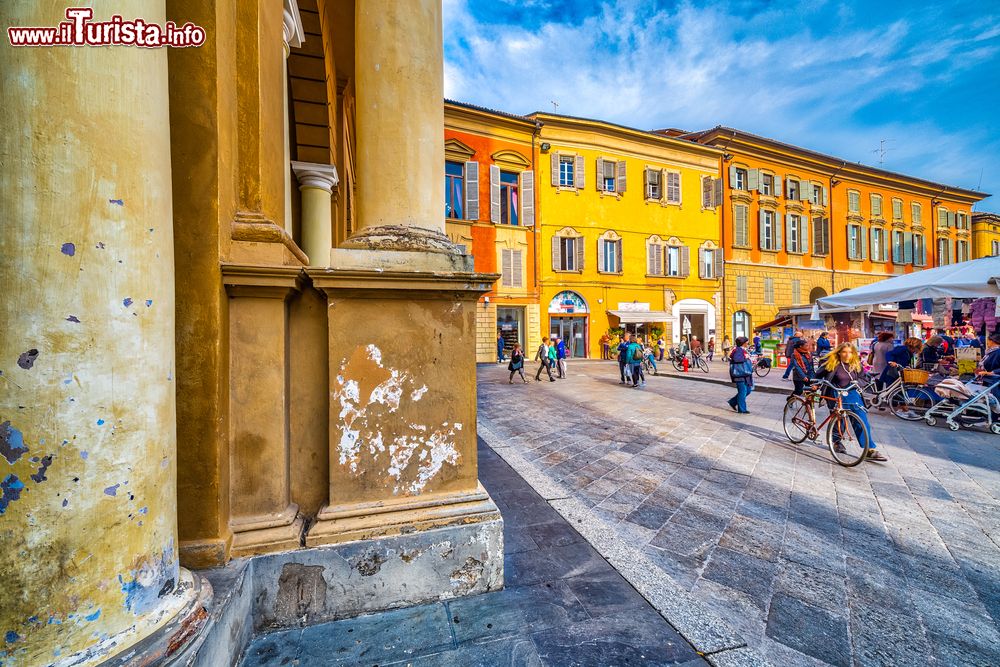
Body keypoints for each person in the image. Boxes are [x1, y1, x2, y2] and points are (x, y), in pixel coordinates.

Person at [816, 342, 885, 461]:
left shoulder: (856, 365)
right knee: (839, 419)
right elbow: (817, 375)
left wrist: (858, 383)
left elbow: (864, 378)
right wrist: (815, 384)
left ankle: (869, 449)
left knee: (861, 419)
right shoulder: (832, 364)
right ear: (839, 353)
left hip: (852, 393)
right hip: (836, 391)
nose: (847, 355)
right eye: (844, 352)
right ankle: (837, 442)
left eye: (850, 352)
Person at [727, 336, 753, 413]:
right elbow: (736, 359)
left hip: (744, 374)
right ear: (743, 343)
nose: (748, 343)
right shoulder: (738, 350)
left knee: (748, 390)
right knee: (743, 391)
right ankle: (742, 409)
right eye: (747, 342)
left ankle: (733, 402)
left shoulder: (742, 349)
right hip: (739, 373)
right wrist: (746, 357)